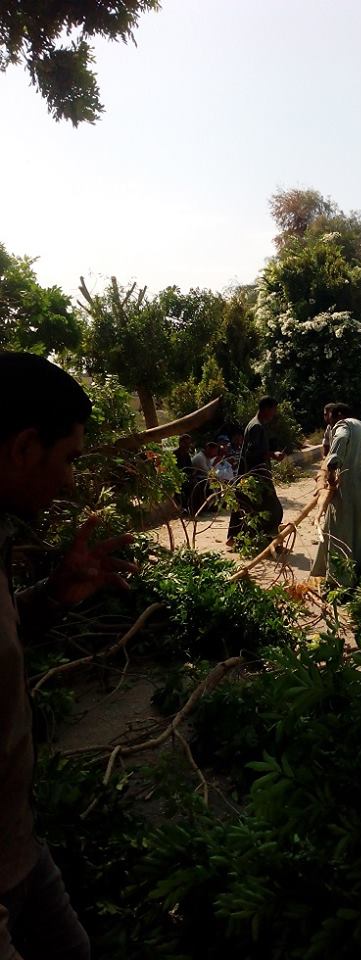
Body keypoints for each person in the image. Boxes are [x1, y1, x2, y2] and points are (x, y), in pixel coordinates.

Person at [0, 352, 136, 960]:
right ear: (26, 447)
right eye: (69, 459)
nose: (72, 481)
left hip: (21, 849)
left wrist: (54, 596)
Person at [310, 402, 361, 587]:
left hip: (348, 491)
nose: (331, 422)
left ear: (340, 415)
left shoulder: (345, 425)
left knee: (339, 533)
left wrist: (333, 469)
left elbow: (338, 447)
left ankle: (339, 582)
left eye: (332, 417)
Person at [227, 397, 285, 547]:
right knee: (273, 508)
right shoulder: (256, 427)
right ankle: (268, 540)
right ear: (266, 408)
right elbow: (253, 452)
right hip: (256, 475)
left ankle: (237, 537)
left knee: (245, 504)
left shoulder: (254, 425)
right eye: (273, 409)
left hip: (250, 473)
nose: (274, 413)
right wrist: (273, 455)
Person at [173, 433, 194, 511]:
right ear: (180, 443)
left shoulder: (187, 455)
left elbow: (190, 468)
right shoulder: (174, 454)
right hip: (178, 478)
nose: (188, 445)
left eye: (189, 443)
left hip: (186, 477)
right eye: (186, 443)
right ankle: (185, 507)